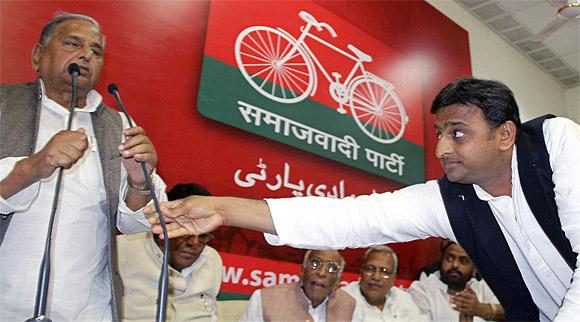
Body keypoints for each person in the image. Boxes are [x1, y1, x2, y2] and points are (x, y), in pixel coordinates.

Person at [146, 77, 580, 321]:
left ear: (504, 134)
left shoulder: (555, 142)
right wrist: (223, 208)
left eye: (458, 133)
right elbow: (350, 218)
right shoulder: (450, 199)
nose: (442, 149)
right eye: (439, 134)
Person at [0, 12, 166, 322]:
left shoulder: (120, 125)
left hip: (87, 312)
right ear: (38, 55)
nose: (86, 55)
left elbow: (139, 224)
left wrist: (139, 184)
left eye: (95, 51)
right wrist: (34, 167)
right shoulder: (3, 105)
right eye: (73, 43)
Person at [117, 183, 222, 322]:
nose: (194, 243)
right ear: (164, 222)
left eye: (203, 235)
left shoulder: (211, 259)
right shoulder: (124, 249)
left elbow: (212, 314)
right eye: (185, 231)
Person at [240, 249, 361, 322]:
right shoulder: (263, 298)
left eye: (331, 268)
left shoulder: (351, 306)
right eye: (315, 263)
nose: (321, 272)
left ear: (338, 280)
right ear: (302, 270)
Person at [407, 242, 505, 322]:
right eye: (449, 258)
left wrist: (481, 309)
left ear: (474, 268)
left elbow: (512, 312)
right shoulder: (422, 290)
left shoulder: (481, 287)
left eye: (463, 261)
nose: (454, 265)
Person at [342, 245, 428, 321]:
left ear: (393, 278)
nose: (376, 277)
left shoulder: (403, 299)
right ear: (361, 271)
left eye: (384, 271)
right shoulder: (344, 299)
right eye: (370, 269)